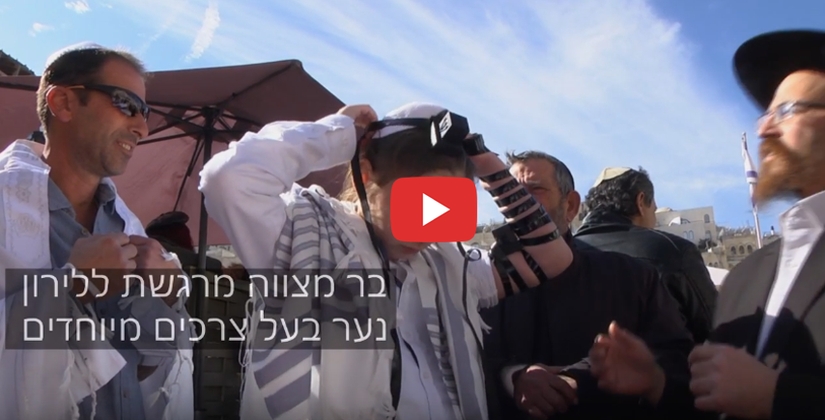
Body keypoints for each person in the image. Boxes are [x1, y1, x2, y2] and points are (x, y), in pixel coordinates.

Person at [199, 102, 575, 419]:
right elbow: (227, 178)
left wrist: (481, 158)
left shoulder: (450, 265)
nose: (429, 225)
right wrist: (338, 133)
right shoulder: (301, 232)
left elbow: (551, 257)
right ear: (366, 175)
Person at [587, 29, 825, 420]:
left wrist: (778, 397)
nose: (764, 129)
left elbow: (759, 394)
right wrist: (658, 383)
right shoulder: (748, 275)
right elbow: (720, 401)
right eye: (767, 114)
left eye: (786, 111)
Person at [0, 42, 194, 420]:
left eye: (145, 112)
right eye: (126, 103)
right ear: (64, 103)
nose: (142, 127)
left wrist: (168, 298)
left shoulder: (129, 227)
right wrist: (73, 286)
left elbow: (146, 370)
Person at [481, 151, 700, 419]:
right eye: (508, 193)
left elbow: (678, 359)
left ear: (571, 206)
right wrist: (513, 377)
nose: (515, 202)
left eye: (535, 190)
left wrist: (640, 375)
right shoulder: (480, 286)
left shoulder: (632, 278)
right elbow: (462, 363)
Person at [574, 166, 718, 343]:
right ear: (641, 202)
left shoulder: (564, 254)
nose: (655, 220)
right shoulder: (673, 251)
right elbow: (717, 327)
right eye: (654, 210)